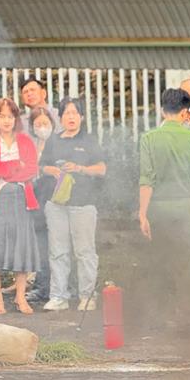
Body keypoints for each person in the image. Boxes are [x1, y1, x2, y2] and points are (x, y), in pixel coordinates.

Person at [139, 88, 190, 325]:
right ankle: (186, 315)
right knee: (186, 263)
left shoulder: (149, 139)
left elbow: (146, 179)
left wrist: (142, 214)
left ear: (162, 110)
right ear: (184, 112)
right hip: (185, 209)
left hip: (157, 209)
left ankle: (158, 315)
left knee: (159, 260)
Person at [40, 98, 106, 311]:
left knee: (85, 251)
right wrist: (53, 170)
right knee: (58, 251)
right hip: (56, 203)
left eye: (74, 113)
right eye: (66, 113)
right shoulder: (53, 140)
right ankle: (59, 296)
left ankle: (87, 296)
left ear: (82, 117)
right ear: (60, 117)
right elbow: (42, 167)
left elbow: (102, 169)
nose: (70, 117)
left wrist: (79, 168)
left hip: (83, 203)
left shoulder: (89, 140)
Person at [0, 98, 40, 315]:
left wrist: (3, 170)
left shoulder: (26, 141)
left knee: (22, 248)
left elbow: (31, 170)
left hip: (21, 200)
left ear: (15, 119)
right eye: (1, 116)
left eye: (10, 116)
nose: (6, 121)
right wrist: (13, 165)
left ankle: (20, 297)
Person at [24, 106, 55, 304]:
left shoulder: (58, 143)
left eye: (45, 123)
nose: (42, 127)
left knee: (58, 245)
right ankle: (42, 287)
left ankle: (62, 286)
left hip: (54, 198)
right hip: (35, 199)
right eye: (38, 124)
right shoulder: (29, 146)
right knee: (41, 244)